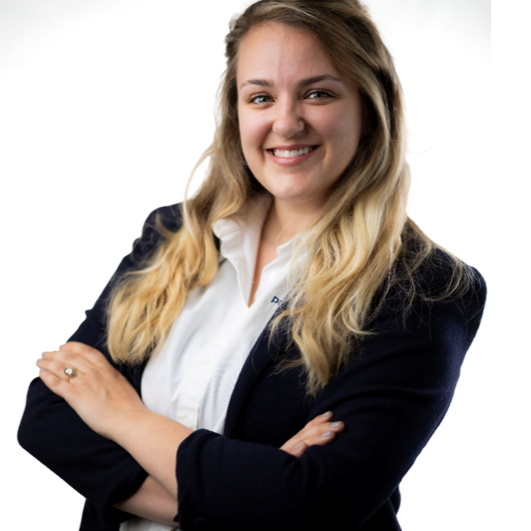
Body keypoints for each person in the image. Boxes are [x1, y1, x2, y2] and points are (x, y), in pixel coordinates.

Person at [18, 0, 487, 530]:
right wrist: (226, 502)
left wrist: (120, 416)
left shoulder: (424, 289)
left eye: (318, 93)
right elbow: (46, 417)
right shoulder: (172, 236)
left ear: (370, 106)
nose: (286, 122)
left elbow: (310, 504)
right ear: (236, 111)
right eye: (260, 96)